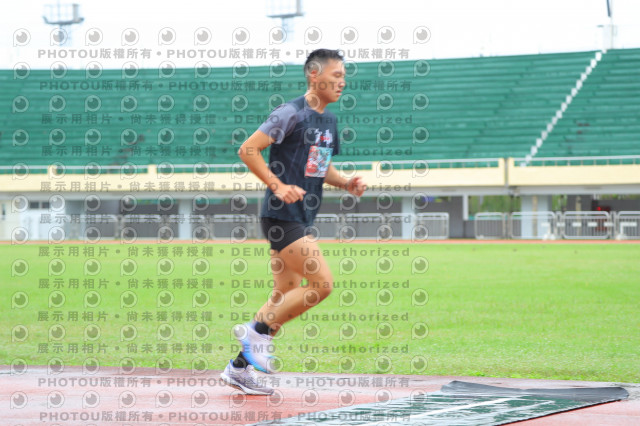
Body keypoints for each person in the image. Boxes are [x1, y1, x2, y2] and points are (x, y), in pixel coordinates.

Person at [220, 49, 367, 395]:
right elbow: (248, 149)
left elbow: (320, 166)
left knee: (285, 294)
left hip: (301, 215)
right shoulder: (290, 112)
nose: (342, 82)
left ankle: (239, 369)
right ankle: (254, 333)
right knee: (322, 284)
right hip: (281, 214)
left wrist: (346, 182)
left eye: (344, 76)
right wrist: (278, 185)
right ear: (315, 75)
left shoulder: (329, 122)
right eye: (336, 75)